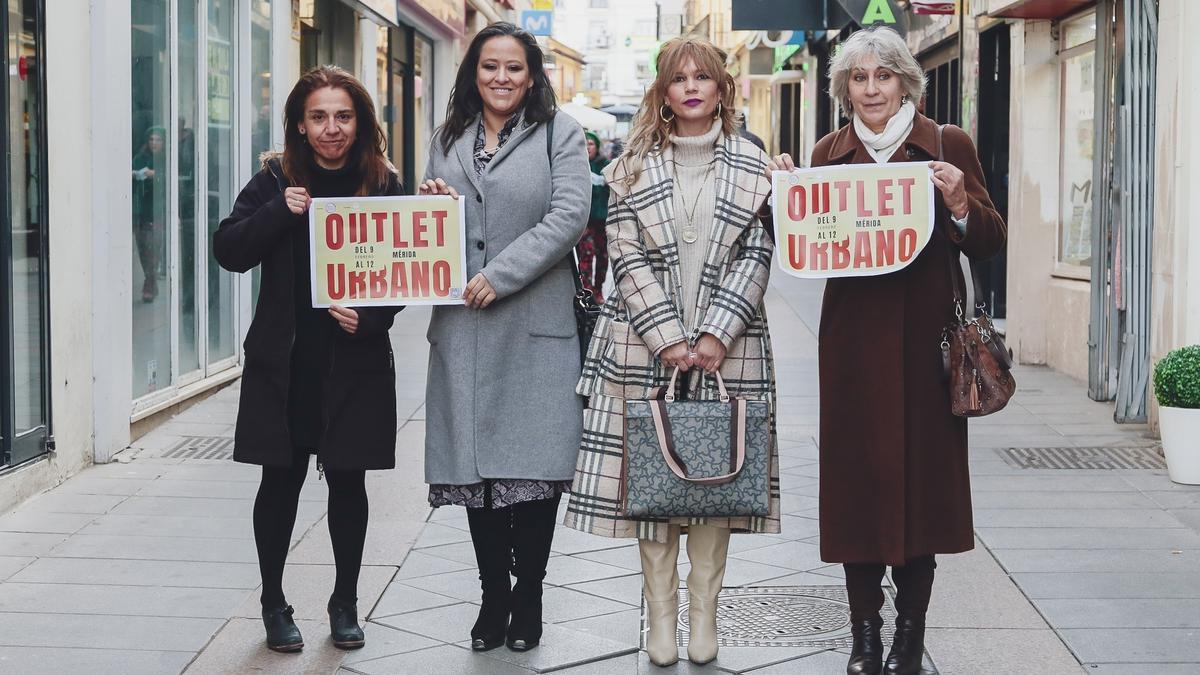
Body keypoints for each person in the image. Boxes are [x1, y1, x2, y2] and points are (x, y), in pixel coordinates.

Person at [766, 27, 1006, 675]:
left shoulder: (947, 143)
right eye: (859, 78)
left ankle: (909, 631)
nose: (871, 89)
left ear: (906, 81)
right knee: (856, 492)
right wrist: (782, 194)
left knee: (921, 491)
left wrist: (960, 203)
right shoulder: (827, 151)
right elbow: (797, 241)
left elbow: (989, 236)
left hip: (928, 350)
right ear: (844, 88)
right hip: (849, 350)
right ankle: (864, 631)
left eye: (884, 76)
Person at [563, 35, 780, 667]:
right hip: (640, 344)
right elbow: (623, 255)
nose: (691, 87)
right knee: (652, 487)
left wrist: (715, 333)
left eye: (702, 77)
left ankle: (704, 615)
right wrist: (668, 337)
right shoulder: (629, 166)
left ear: (721, 89)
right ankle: (661, 618)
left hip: (730, 347)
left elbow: (757, 253)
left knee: (715, 479)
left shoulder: (753, 165)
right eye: (678, 78)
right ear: (663, 91)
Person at [213, 66, 404, 654]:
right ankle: (274, 603)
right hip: (287, 363)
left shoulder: (384, 182)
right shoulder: (276, 178)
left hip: (354, 360)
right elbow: (229, 250)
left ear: (361, 121)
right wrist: (280, 211)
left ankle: (344, 601)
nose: (331, 128)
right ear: (300, 121)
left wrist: (372, 317)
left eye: (343, 116)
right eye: (319, 116)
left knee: (349, 482)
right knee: (281, 482)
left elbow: (405, 266)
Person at [417, 22, 590, 654]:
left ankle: (530, 594)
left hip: (533, 325)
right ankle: (493, 596)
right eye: (490, 66)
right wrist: (433, 201)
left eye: (514, 67)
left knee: (534, 472)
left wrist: (502, 274)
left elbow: (569, 216)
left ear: (533, 74)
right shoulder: (447, 139)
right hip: (463, 327)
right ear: (473, 73)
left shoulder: (560, 134)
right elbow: (434, 225)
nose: (501, 78)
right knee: (477, 476)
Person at [132, 126, 167, 302]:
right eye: (152, 139)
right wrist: (135, 175)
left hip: (159, 211)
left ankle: (149, 283)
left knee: (155, 248)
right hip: (141, 211)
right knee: (143, 247)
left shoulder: (167, 159)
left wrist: (157, 175)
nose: (154, 143)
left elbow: (175, 179)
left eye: (158, 140)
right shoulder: (140, 157)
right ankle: (150, 281)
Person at [575, 129, 610, 302]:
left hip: (603, 220)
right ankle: (587, 290)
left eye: (591, 143)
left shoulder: (606, 165)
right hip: (584, 220)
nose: (588, 147)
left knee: (603, 256)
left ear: (597, 146)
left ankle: (598, 288)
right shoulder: (576, 164)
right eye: (585, 143)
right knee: (586, 254)